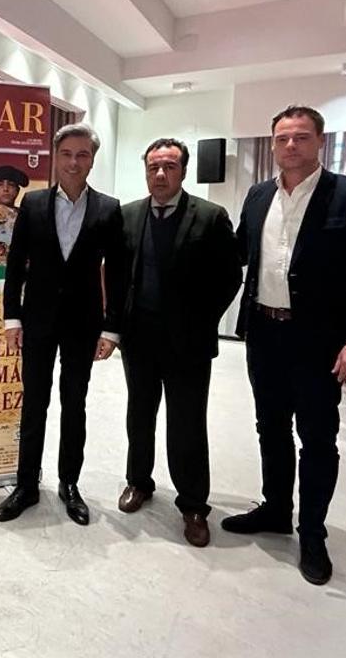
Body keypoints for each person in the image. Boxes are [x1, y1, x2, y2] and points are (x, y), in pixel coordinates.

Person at [225, 105, 346, 586]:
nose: (291, 146)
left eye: (301, 137)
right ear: (272, 144)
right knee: (270, 427)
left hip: (319, 341)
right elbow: (238, 254)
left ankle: (313, 533)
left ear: (321, 141)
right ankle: (276, 508)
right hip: (264, 332)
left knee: (317, 437)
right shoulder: (259, 195)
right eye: (282, 138)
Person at [0, 122, 125, 526]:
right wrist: (12, 317)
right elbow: (15, 266)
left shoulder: (109, 208)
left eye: (82, 154)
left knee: (75, 404)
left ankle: (70, 483)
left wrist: (111, 329)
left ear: (92, 160)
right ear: (56, 157)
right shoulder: (33, 203)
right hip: (37, 320)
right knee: (34, 403)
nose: (73, 162)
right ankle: (26, 485)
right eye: (66, 154)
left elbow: (118, 274)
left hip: (84, 323)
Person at [117, 138, 242, 547]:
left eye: (169, 167)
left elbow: (230, 276)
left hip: (188, 343)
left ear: (183, 171)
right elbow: (118, 276)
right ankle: (139, 481)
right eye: (153, 167)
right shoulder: (128, 215)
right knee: (139, 414)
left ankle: (193, 504)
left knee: (187, 423)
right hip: (139, 339)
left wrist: (202, 320)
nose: (160, 174)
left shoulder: (210, 216)